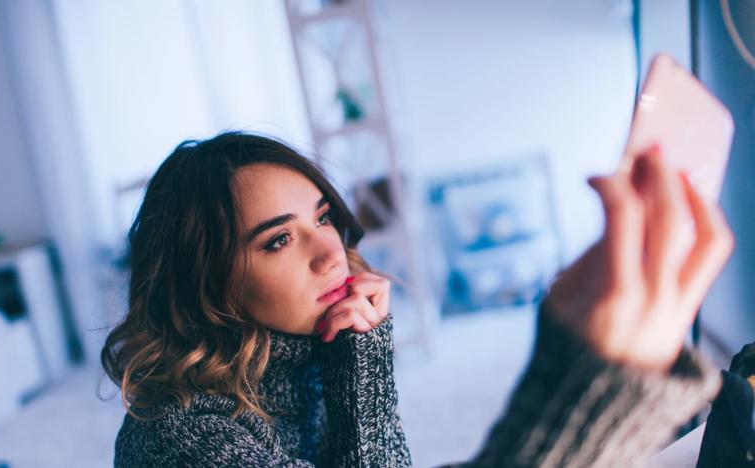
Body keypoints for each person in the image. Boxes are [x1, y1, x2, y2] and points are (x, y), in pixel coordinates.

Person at [102, 131, 733, 467]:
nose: (329, 252)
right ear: (204, 284)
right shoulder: (180, 440)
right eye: (279, 240)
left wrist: (360, 360)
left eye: (322, 218)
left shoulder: (311, 354)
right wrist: (588, 392)